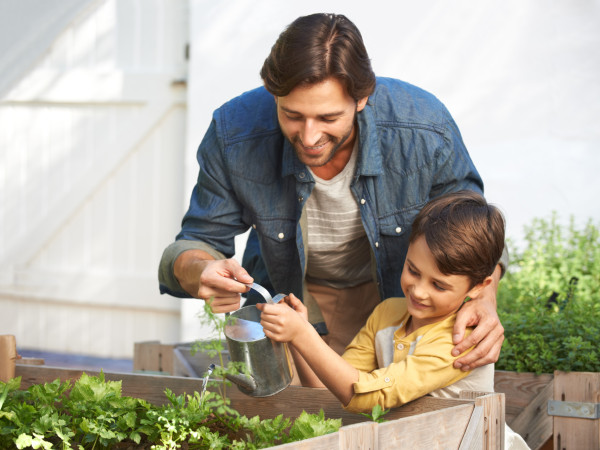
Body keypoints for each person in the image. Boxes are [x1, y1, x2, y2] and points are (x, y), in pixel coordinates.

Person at [158, 12, 506, 371]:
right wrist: (201, 270)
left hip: (396, 297)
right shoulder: (234, 133)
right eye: (292, 115)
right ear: (271, 92)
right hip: (291, 298)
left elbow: (473, 229)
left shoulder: (423, 129)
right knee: (292, 420)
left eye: (328, 118)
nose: (309, 138)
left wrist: (486, 295)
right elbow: (195, 242)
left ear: (362, 99)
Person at [258, 191, 529, 449]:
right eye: (412, 270)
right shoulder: (388, 313)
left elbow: (368, 396)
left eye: (439, 285)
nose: (419, 290)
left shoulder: (462, 339)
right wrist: (298, 336)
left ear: (478, 287)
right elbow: (333, 391)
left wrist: (303, 335)